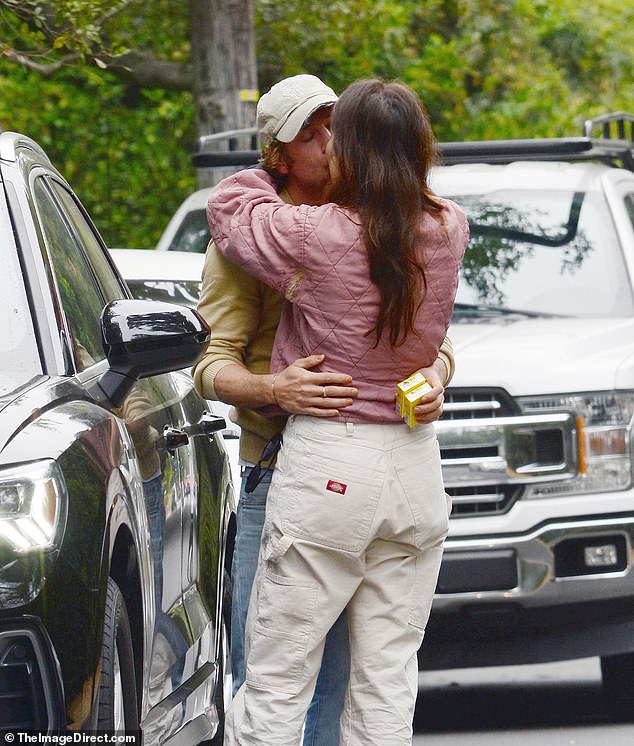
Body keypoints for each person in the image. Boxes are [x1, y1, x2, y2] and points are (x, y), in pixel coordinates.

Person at [194, 74, 455, 745]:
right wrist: (272, 388)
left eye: (336, 130)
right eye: (310, 133)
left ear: (357, 147)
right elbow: (210, 359)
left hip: (327, 466)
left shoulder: (315, 231)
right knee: (388, 677)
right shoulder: (448, 224)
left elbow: (230, 210)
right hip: (411, 468)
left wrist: (439, 371)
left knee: (278, 678)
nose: (326, 142)